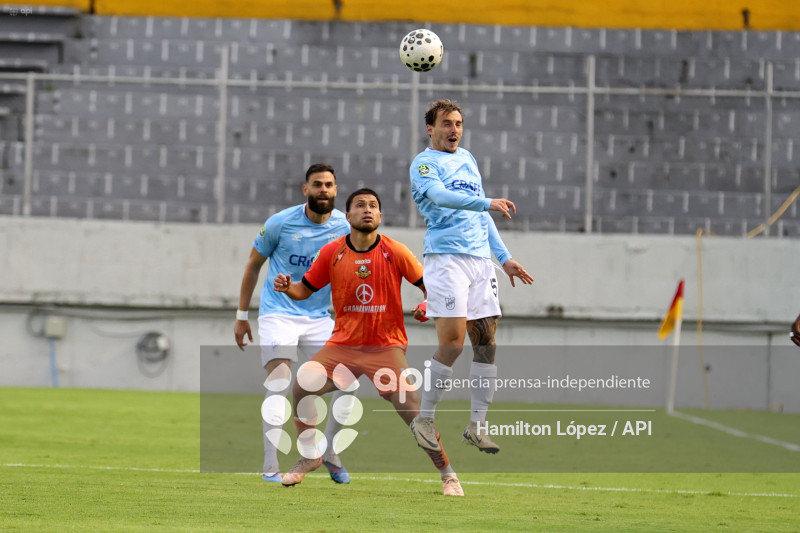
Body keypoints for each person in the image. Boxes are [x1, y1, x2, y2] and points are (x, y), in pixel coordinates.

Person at [273, 188, 464, 496]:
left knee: (413, 414)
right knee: (302, 384)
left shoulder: (395, 251)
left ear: (380, 216)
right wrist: (287, 287)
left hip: (385, 348)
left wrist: (428, 304)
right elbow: (304, 289)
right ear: (347, 216)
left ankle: (448, 475)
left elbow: (431, 287)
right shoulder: (332, 252)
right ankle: (310, 455)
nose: (367, 210)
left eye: (373, 206)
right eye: (360, 205)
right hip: (343, 347)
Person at [409, 99, 534, 456]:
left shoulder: (468, 158)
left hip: (480, 260)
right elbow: (442, 197)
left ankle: (477, 426)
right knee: (452, 343)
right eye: (447, 123)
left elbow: (482, 215)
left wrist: (505, 258)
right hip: (446, 258)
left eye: (459, 123)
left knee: (487, 343)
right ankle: (425, 419)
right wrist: (486, 201)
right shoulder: (424, 163)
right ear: (430, 128)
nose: (454, 130)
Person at [234, 163, 353, 484]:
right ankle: (270, 464)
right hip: (279, 313)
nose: (323, 190)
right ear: (306, 190)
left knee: (348, 382)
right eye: (317, 185)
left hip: (319, 318)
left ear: (336, 190)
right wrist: (242, 316)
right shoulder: (280, 223)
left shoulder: (345, 227)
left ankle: (327, 452)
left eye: (329, 185)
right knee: (279, 381)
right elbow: (253, 265)